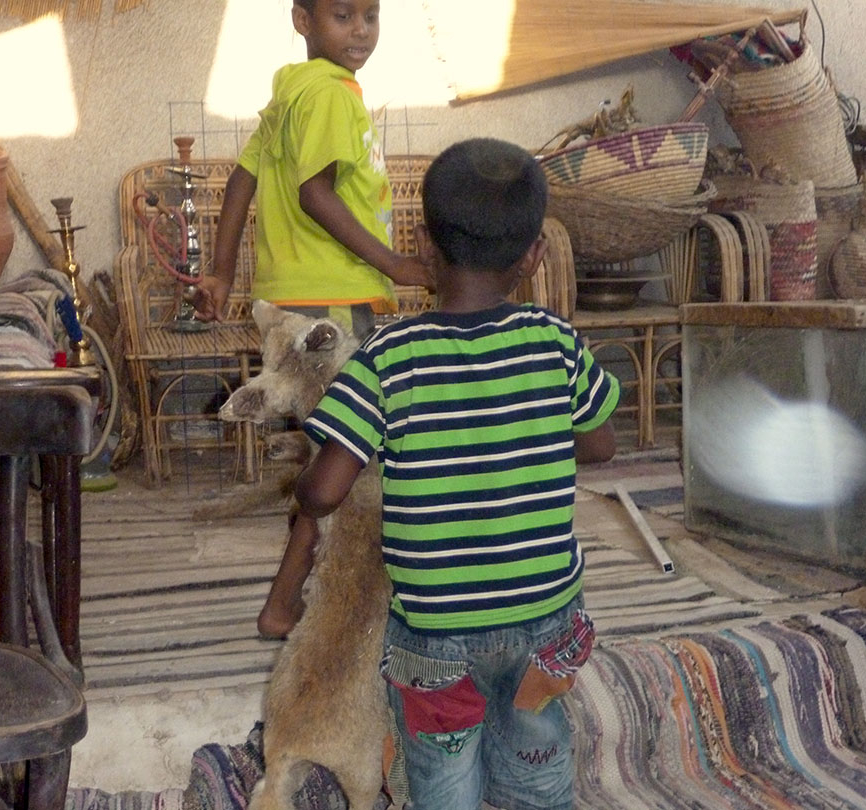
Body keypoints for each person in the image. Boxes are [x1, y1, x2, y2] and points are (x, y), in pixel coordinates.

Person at [293, 137, 620, 810]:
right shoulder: (556, 341)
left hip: (437, 633)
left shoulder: (390, 356)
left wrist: (303, 482)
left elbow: (323, 493)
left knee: (443, 783)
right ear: (533, 256)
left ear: (424, 244)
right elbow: (601, 445)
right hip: (546, 625)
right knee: (537, 759)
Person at [190, 0, 431, 638]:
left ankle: (301, 594)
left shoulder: (290, 92)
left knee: (333, 454)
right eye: (342, 16)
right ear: (302, 20)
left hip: (288, 301)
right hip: (334, 301)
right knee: (348, 460)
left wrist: (221, 272)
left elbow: (241, 180)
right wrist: (397, 264)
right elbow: (313, 192)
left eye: (370, 17)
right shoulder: (329, 94)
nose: (360, 32)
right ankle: (284, 602)